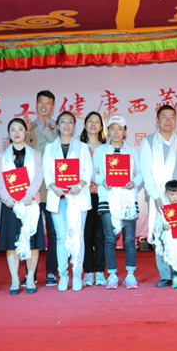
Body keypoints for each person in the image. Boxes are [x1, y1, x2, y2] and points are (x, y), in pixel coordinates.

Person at [140, 105, 177, 287]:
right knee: (162, 233)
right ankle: (166, 275)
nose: (168, 120)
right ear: (157, 120)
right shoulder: (148, 141)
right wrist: (155, 196)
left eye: (172, 116)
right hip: (159, 196)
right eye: (164, 116)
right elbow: (146, 171)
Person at [43, 111, 93, 292]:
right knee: (62, 237)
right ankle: (63, 274)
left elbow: (88, 170)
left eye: (70, 122)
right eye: (62, 121)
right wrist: (53, 186)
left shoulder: (82, 147)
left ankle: (77, 274)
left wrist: (79, 185)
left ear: (74, 126)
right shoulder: (50, 148)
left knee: (78, 236)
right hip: (58, 197)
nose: (66, 125)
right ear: (57, 125)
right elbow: (47, 171)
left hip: (78, 197)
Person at [0, 118, 45, 294]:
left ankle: (30, 277)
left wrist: (28, 196)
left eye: (20, 129)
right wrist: (6, 197)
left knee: (33, 243)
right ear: (9, 134)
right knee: (12, 243)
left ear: (26, 132)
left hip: (30, 203)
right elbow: (0, 180)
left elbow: (38, 177)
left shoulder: (36, 154)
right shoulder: (3, 156)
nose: (16, 133)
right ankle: (15, 279)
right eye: (13, 130)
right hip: (10, 205)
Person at [92, 115, 142, 289]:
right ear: (107, 131)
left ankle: (130, 275)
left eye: (119, 129)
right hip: (107, 197)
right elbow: (93, 173)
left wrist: (134, 182)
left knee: (129, 238)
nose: (116, 132)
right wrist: (102, 180)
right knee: (109, 238)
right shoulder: (100, 151)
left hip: (127, 199)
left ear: (125, 131)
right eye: (112, 128)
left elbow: (140, 173)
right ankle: (112, 274)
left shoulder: (133, 151)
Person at [25, 90, 59, 287]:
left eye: (48, 103)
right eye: (40, 102)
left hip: (52, 186)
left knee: (53, 232)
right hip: (32, 188)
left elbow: (57, 148)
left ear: (52, 107)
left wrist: (44, 128)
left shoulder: (58, 127)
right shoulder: (27, 127)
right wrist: (26, 132)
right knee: (32, 232)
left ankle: (52, 272)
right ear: (36, 104)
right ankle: (31, 274)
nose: (43, 106)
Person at [80, 111, 107, 286]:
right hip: (83, 195)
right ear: (85, 125)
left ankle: (100, 272)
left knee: (101, 236)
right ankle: (88, 272)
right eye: (90, 121)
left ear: (101, 126)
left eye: (97, 121)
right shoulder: (78, 147)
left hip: (102, 195)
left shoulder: (107, 147)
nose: (93, 124)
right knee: (86, 235)